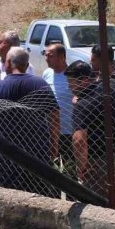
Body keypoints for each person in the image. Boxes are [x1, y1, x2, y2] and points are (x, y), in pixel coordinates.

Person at [66, 61, 115, 209]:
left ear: (83, 80)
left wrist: (82, 167)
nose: (69, 87)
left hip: (97, 164)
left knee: (98, 206)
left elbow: (78, 140)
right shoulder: (112, 88)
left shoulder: (82, 104)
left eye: (71, 82)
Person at [0, 47, 57, 195]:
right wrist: (54, 144)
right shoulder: (40, 85)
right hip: (37, 150)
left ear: (8, 63)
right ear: (26, 64)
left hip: (5, 153)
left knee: (7, 194)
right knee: (37, 192)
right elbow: (54, 117)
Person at [41, 43, 75, 174]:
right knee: (52, 170)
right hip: (50, 131)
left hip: (68, 132)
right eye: (46, 55)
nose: (46, 58)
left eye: (50, 55)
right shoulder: (46, 74)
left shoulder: (71, 75)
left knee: (69, 170)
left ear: (62, 57)